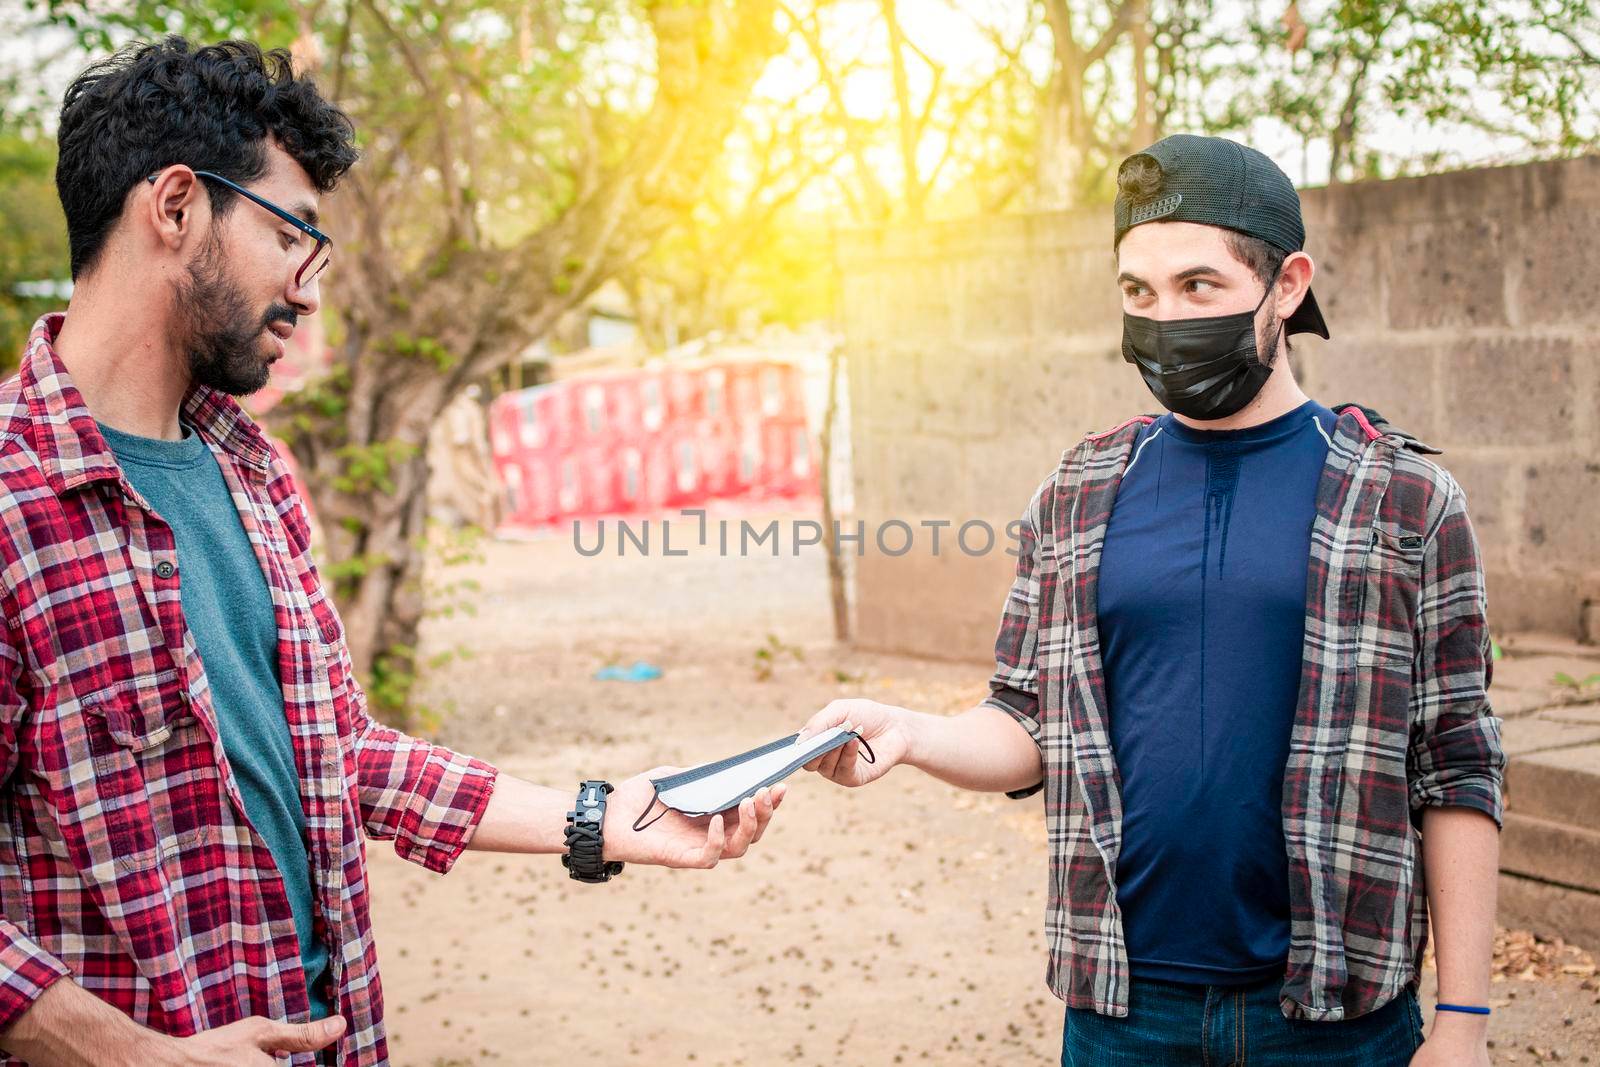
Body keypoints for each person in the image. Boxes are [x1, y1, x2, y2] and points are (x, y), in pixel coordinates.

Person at [0, 36, 782, 1067]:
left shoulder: (255, 472)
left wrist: (606, 816)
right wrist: (131, 1051)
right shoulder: (12, 499)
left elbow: (341, 754)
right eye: (295, 238)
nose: (309, 290)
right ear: (178, 206)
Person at [798, 134, 1504, 1067]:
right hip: (1126, 1013)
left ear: (1286, 286)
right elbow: (1027, 720)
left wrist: (1462, 1020)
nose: (1165, 319)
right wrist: (911, 731)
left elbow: (1454, 763)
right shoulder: (1078, 491)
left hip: (1340, 1017)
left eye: (1199, 288)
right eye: (1139, 293)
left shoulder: (1403, 500)